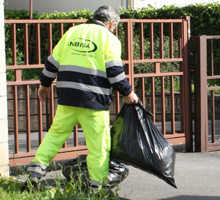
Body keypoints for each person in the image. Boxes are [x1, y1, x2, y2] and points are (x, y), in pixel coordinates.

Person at [28, 5, 138, 186]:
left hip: (68, 98)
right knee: (98, 147)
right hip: (94, 101)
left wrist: (44, 85)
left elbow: (52, 62)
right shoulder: (109, 39)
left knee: (55, 135)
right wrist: (127, 92)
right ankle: (97, 187)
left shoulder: (72, 32)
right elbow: (114, 71)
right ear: (111, 24)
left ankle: (36, 170)